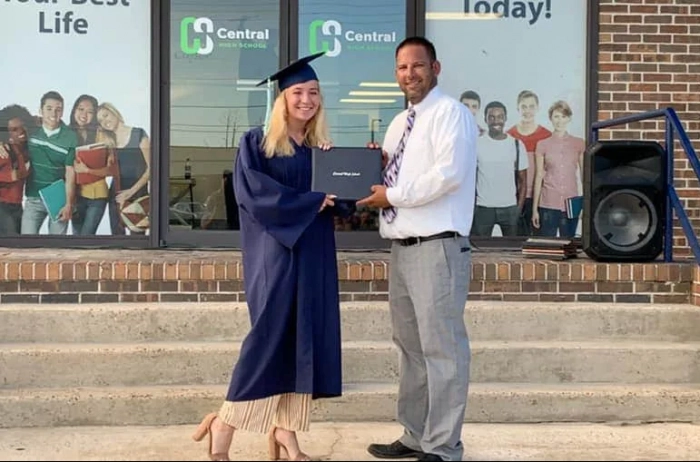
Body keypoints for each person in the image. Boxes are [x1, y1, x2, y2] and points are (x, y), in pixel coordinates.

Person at [192, 52, 351, 462]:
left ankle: (286, 433)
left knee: (304, 344)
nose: (307, 100)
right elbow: (253, 195)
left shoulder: (320, 147)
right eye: (298, 92)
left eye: (313, 92)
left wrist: (346, 168)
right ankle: (224, 423)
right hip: (276, 256)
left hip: (314, 255)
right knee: (269, 341)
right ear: (282, 99)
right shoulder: (257, 142)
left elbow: (344, 204)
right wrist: (313, 200)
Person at [357, 36, 477, 462]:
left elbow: (448, 176)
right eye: (402, 68)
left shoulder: (452, 115)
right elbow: (385, 177)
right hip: (403, 251)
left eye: (418, 66)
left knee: (442, 349)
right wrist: (358, 172)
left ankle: (443, 447)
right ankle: (414, 435)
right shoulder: (397, 123)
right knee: (410, 347)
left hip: (438, 247)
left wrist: (391, 195)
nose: (410, 74)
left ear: (435, 68)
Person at [21, 91, 78, 235]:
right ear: (40, 110)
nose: (54, 113)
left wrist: (68, 204)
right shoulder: (30, 129)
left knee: (57, 246)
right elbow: (10, 133)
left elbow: (70, 172)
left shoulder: (70, 137)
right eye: (49, 108)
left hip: (58, 200)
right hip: (33, 198)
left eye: (58, 109)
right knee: (26, 244)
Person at [470, 101, 528, 237]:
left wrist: (517, 209)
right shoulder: (476, 143)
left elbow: (523, 181)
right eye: (492, 117)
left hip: (509, 208)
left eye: (500, 117)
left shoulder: (516, 144)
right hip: (483, 208)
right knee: (481, 253)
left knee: (512, 253)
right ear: (485, 119)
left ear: (505, 118)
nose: (496, 121)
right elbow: (469, 178)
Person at [531, 100, 585, 237]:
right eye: (556, 116)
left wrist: (585, 205)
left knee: (568, 244)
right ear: (551, 118)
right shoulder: (542, 144)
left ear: (569, 118)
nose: (559, 121)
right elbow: (538, 177)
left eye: (563, 116)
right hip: (548, 203)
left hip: (571, 203)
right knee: (548, 246)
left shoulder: (578, 143)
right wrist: (534, 209)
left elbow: (585, 176)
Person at [96, 102, 150, 235]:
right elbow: (109, 171)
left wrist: (131, 192)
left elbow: (152, 168)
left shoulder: (138, 134)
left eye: (106, 115)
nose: (105, 121)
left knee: (138, 239)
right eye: (101, 120)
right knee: (117, 240)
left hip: (137, 194)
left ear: (114, 112)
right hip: (116, 196)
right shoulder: (109, 142)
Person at [506, 90, 552, 236]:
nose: (528, 111)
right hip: (516, 196)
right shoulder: (510, 135)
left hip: (540, 197)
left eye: (531, 106)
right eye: (524, 106)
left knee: (539, 241)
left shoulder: (546, 135)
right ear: (517, 108)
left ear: (537, 108)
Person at [69, 94, 116, 235]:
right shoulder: (66, 133)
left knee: (86, 237)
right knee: (76, 238)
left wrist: (87, 170)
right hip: (75, 196)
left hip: (97, 196)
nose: (84, 115)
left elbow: (112, 170)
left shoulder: (101, 136)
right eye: (80, 109)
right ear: (74, 111)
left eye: (90, 112)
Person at [0, 104, 34, 235]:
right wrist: (10, 176)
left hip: (17, 204)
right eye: (14, 129)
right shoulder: (4, 151)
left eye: (23, 126)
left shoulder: (24, 149)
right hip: (3, 206)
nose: (21, 132)